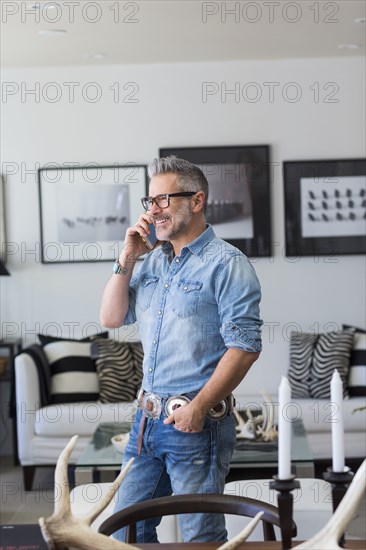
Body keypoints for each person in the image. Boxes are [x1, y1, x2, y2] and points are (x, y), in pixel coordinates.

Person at [100, 156, 262, 543]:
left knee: (199, 537)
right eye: (149, 201)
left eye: (164, 199)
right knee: (126, 531)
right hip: (146, 424)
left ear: (197, 200)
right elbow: (111, 317)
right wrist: (127, 257)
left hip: (195, 424)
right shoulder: (152, 262)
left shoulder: (227, 264)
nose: (153, 210)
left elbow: (245, 346)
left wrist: (199, 407)